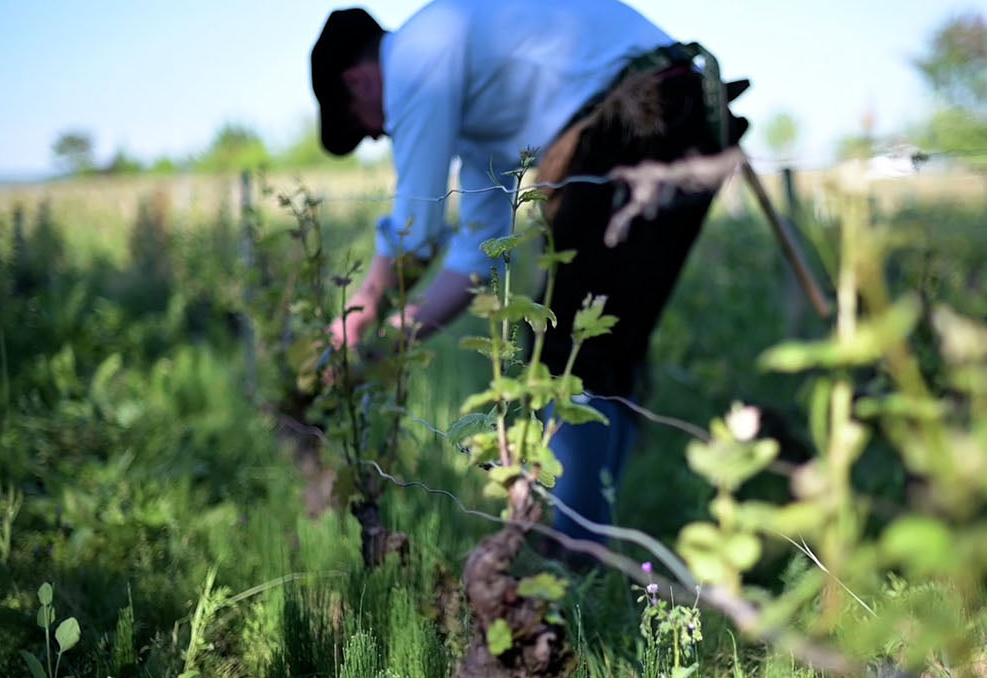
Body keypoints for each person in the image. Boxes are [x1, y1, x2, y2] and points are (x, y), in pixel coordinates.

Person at [310, 1, 747, 544]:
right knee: (598, 347)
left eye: (362, 125)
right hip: (670, 114)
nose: (378, 137)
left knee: (572, 353)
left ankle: (574, 556)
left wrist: (355, 320)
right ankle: (586, 548)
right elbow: (475, 260)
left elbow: (413, 230)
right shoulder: (477, 110)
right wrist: (388, 349)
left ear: (358, 80)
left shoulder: (416, 58)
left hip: (648, 115)